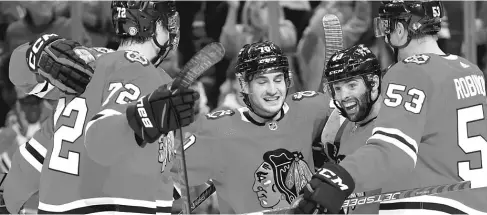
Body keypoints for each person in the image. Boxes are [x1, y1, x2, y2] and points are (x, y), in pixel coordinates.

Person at [295, 1, 487, 214]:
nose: (384, 36)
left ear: (400, 30)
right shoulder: (469, 70)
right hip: (482, 204)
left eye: (386, 27)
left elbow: (394, 153)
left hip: (433, 205)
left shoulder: (408, 71)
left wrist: (338, 177)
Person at [6, 1, 199, 214]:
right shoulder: (151, 77)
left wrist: (36, 52)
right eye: (167, 22)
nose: (172, 29)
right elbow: (102, 140)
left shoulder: (85, 62)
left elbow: (18, 75)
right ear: (150, 26)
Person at [178, 41, 332, 214]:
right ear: (244, 85)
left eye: (278, 79)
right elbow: (166, 174)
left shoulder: (309, 108)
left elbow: (354, 124)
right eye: (262, 82)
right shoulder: (218, 130)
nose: (273, 90)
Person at [318, 44, 383, 214]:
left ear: (374, 83)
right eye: (337, 88)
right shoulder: (335, 129)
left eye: (351, 85)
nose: (343, 95)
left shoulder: (394, 129)